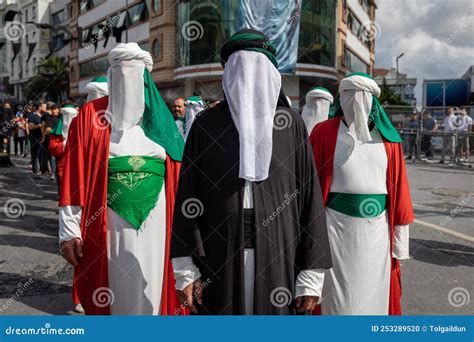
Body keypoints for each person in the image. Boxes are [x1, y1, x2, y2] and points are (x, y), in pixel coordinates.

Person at [171, 29, 332, 315]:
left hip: (281, 256)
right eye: (241, 69)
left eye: (257, 69)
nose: (249, 80)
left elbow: (310, 200)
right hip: (217, 257)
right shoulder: (206, 126)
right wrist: (185, 269)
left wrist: (311, 276)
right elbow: (188, 196)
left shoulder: (290, 126)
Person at [58, 42, 185, 316]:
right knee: (113, 294)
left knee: (154, 288)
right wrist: (69, 231)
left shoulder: (163, 124)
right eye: (119, 73)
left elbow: (182, 180)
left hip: (158, 226)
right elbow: (74, 177)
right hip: (106, 226)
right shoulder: (90, 118)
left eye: (133, 73)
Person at [310, 72, 414, 315]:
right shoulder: (323, 132)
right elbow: (309, 187)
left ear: (372, 101)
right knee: (336, 301)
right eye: (348, 95)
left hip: (376, 233)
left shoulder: (390, 141)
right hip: (334, 229)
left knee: (373, 298)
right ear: (340, 99)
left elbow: (399, 194)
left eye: (361, 96)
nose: (355, 102)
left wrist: (400, 242)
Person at [27, 102, 44, 175]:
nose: (45, 108)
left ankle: (42, 169)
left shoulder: (43, 115)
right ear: (39, 107)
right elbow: (30, 127)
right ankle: (35, 170)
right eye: (43, 106)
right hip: (35, 138)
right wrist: (39, 126)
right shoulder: (32, 116)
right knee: (35, 154)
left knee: (41, 154)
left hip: (42, 138)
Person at [0, 101, 14, 167]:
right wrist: (5, 136)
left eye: (8, 106)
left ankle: (7, 161)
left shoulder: (8, 113)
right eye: (6, 106)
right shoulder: (5, 112)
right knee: (4, 149)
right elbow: (4, 125)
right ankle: (4, 162)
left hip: (7, 134)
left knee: (6, 148)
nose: (7, 107)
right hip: (4, 134)